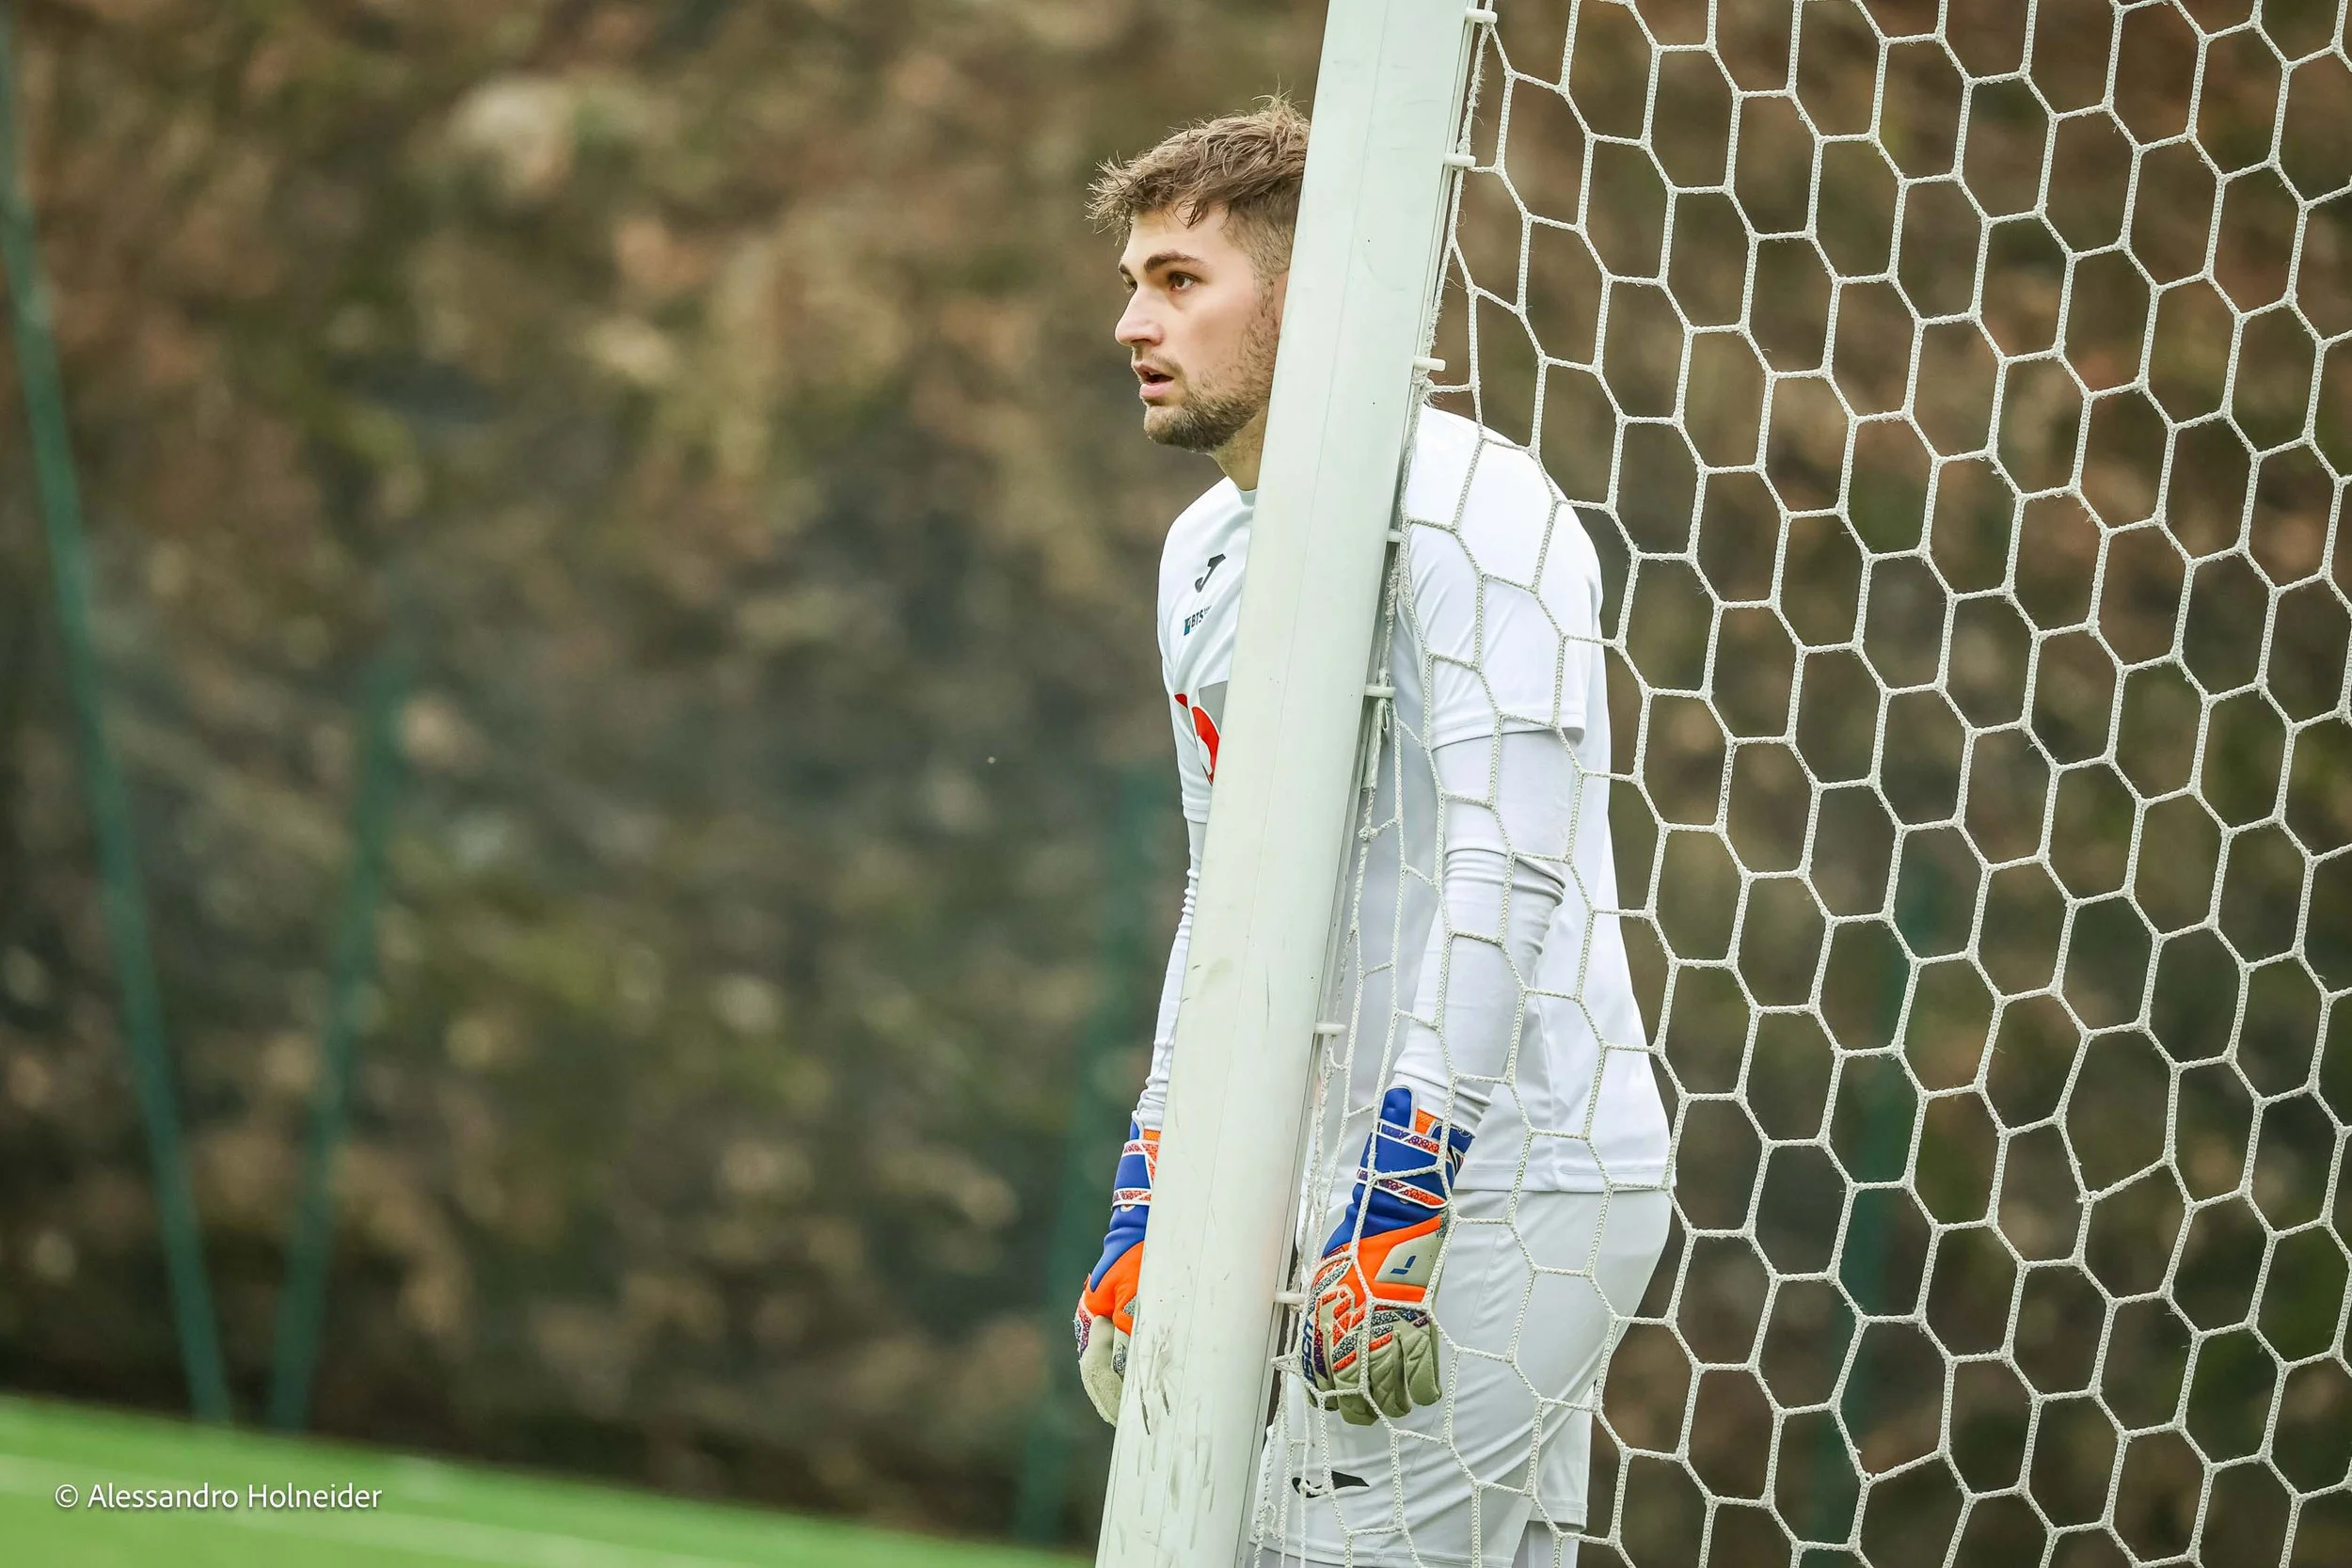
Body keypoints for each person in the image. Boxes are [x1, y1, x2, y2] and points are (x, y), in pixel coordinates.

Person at [1070, 101, 1674, 1568]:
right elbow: (1227, 893)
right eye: (1134, 280)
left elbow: (1505, 865)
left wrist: (1405, 1192)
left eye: (1180, 281)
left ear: (1308, 289)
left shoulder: (1478, 505)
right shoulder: (1202, 550)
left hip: (1517, 1171)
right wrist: (1154, 1174)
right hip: (1328, 1177)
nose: (1130, 324)